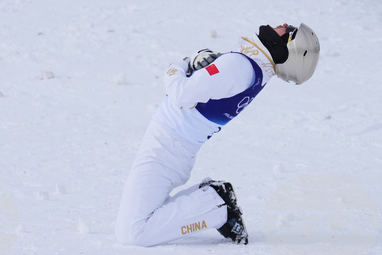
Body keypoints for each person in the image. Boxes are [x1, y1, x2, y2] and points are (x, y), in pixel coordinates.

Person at [114, 23, 321, 247]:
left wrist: (178, 64)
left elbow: (180, 94)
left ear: (286, 48)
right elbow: (210, 77)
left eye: (289, 30)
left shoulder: (240, 67)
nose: (282, 25)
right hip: (174, 146)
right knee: (139, 222)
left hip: (165, 148)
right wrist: (199, 58)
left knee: (133, 233)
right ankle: (212, 201)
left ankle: (214, 203)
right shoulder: (254, 69)